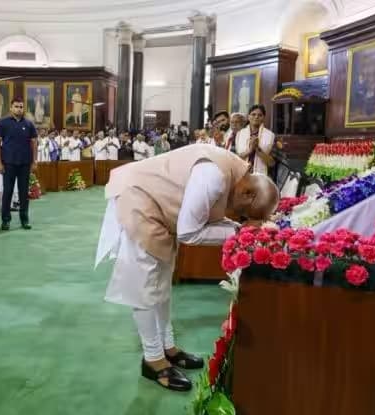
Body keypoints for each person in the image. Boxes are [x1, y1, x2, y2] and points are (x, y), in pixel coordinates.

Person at [95, 145, 279, 391]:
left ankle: (167, 347)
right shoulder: (213, 177)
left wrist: (240, 229)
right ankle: (153, 361)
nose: (236, 215)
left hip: (159, 210)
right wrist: (238, 231)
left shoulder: (233, 174)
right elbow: (189, 232)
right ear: (248, 193)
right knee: (145, 286)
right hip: (138, 200)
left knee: (161, 282)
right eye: (243, 213)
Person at [0, 98, 37, 231]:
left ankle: (24, 219)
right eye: (16, 106)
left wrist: (34, 161)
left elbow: (34, 143)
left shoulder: (29, 124)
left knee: (24, 193)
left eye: (21, 106)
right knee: (7, 192)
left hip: (25, 163)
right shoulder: (3, 123)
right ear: (11, 108)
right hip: (8, 163)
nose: (19, 109)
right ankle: (5, 220)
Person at [236, 104, 275, 175]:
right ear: (248, 117)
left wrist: (257, 149)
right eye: (253, 114)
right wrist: (249, 151)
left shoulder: (270, 135)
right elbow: (235, 159)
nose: (256, 117)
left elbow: (272, 163)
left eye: (260, 115)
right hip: (242, 174)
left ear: (264, 117)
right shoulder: (240, 134)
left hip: (260, 176)